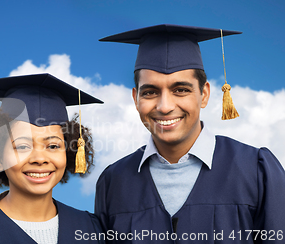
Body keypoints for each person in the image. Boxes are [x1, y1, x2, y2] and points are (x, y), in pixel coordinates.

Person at [95, 24, 285, 243]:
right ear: (135, 99)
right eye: (150, 92)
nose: (165, 106)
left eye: (181, 90)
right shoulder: (113, 182)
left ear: (204, 95)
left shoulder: (255, 170)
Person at [0, 73, 105, 243]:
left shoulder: (90, 228)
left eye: (53, 146)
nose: (39, 158)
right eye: (22, 146)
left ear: (69, 153)